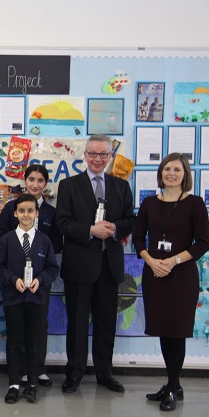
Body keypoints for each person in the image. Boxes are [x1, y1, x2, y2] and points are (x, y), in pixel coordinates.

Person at [55, 134, 135, 394]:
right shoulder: (68, 186)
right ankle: (74, 373)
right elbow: (63, 223)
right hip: (79, 265)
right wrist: (90, 229)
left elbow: (129, 221)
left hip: (109, 265)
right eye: (93, 154)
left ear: (110, 156)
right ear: (85, 155)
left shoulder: (121, 186)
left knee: (106, 322)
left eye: (103, 154)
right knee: (76, 323)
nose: (98, 159)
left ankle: (105, 373)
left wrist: (114, 229)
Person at [132, 153, 209, 412]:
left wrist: (172, 261)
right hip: (154, 274)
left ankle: (173, 386)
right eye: (167, 169)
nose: (171, 174)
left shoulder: (195, 204)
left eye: (177, 169)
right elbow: (138, 239)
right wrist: (152, 261)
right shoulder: (149, 203)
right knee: (164, 329)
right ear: (161, 173)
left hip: (181, 276)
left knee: (177, 331)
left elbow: (202, 243)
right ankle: (173, 384)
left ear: (185, 174)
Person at [0, 164, 63, 387]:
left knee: (38, 324)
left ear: (45, 184)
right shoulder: (10, 208)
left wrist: (39, 249)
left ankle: (38, 369)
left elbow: (57, 243)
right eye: (31, 179)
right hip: (14, 277)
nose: (35, 184)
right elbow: (1, 236)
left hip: (40, 278)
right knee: (17, 327)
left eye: (40, 180)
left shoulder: (51, 212)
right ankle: (19, 371)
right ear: (25, 180)